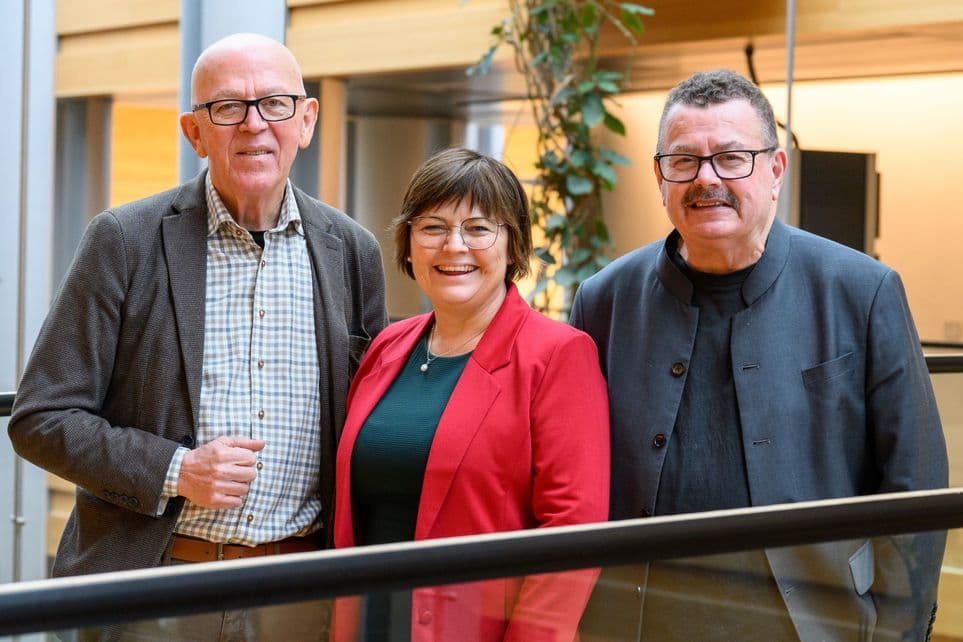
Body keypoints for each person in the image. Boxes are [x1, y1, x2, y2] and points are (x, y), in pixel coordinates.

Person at [8, 33, 387, 638]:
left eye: (275, 103)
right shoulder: (123, 240)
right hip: (155, 589)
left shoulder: (352, 251)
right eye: (227, 107)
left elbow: (370, 418)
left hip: (303, 593)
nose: (254, 124)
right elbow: (42, 417)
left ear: (306, 120)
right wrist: (177, 470)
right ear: (195, 132)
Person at [571, 69, 947, 641]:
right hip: (640, 624)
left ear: (775, 170)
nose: (707, 178)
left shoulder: (861, 291)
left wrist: (897, 630)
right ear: (660, 176)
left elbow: (914, 484)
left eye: (732, 158)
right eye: (684, 160)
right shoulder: (605, 300)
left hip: (818, 623)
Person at [331, 147, 610, 641]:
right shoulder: (387, 348)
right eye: (432, 227)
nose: (453, 246)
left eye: (479, 229)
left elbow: (572, 531)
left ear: (513, 246)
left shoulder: (557, 355)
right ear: (409, 244)